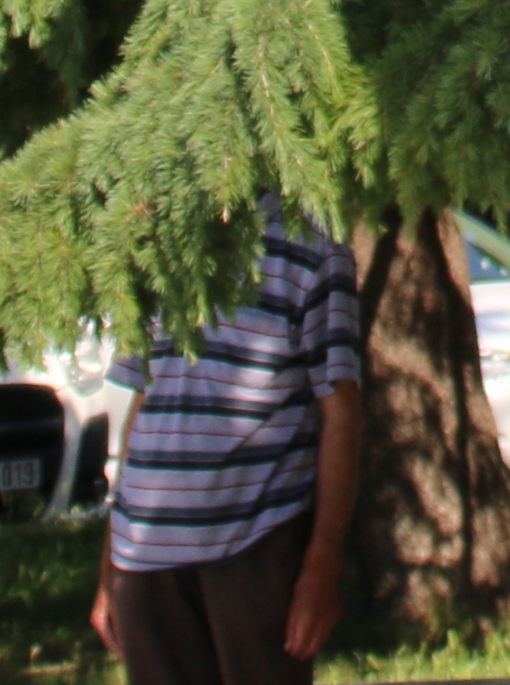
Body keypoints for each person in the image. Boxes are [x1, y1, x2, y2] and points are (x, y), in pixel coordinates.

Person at [93, 207, 366, 685]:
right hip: (145, 552)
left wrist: (322, 561)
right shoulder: (156, 238)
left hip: (255, 545)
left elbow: (340, 408)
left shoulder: (313, 245)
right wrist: (110, 561)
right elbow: (145, 402)